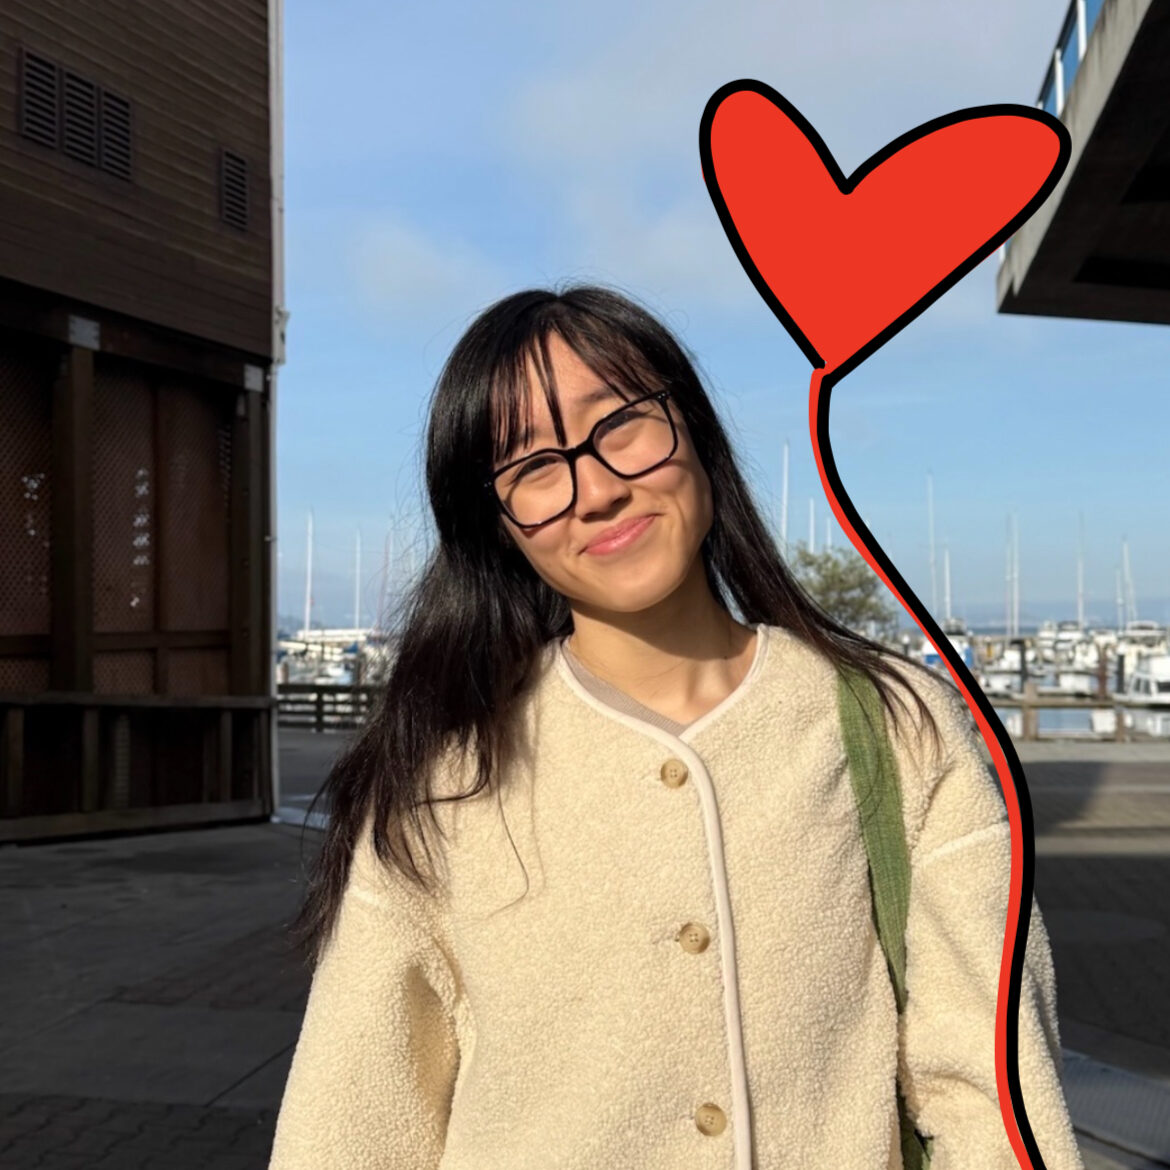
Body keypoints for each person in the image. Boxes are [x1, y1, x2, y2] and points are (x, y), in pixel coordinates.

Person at [267, 283, 1083, 1170]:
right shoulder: (445, 776)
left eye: (619, 424)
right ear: (498, 527)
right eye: (533, 468)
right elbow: (354, 1119)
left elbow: (991, 1087)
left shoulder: (898, 724)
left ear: (692, 428)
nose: (595, 491)